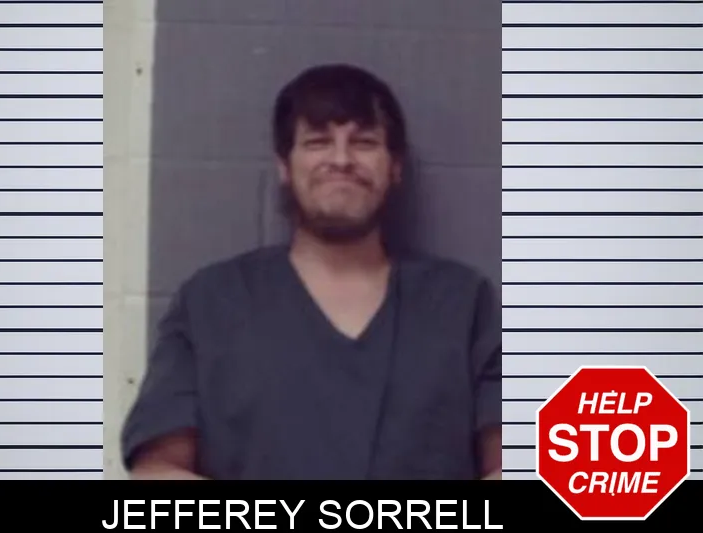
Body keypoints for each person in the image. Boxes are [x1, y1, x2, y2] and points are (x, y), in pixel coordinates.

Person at [120, 63, 502, 480]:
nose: (341, 159)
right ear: (284, 166)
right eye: (318, 142)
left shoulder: (462, 303)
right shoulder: (211, 302)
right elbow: (155, 471)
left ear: (395, 166)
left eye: (364, 142)